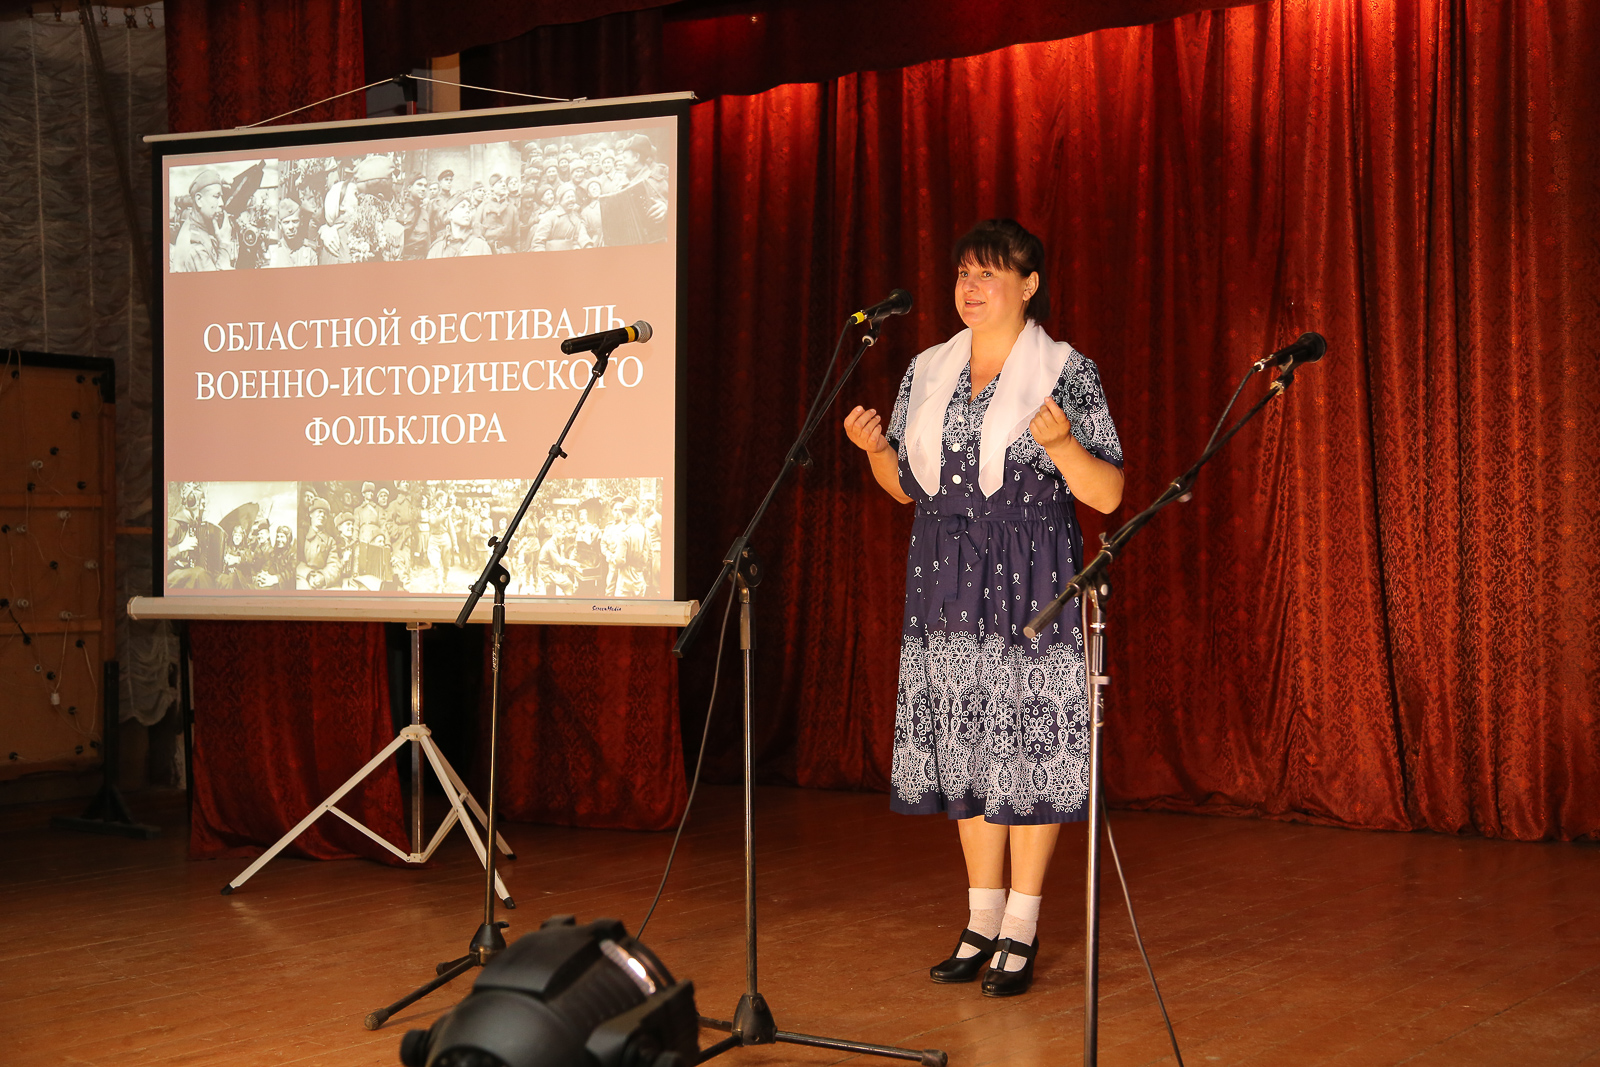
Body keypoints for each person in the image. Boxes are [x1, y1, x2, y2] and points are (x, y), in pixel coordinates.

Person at [843, 218, 1124, 998]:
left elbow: (1108, 492)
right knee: (966, 743)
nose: (971, 286)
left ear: (1029, 285)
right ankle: (981, 917)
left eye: (989, 273)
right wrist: (876, 451)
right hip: (947, 574)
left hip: (1033, 573)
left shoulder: (1066, 371)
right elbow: (908, 488)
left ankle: (1022, 925)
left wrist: (1063, 446)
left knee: (1028, 746)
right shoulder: (928, 368)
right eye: (964, 272)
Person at [171, 169, 238, 272]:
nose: (221, 203)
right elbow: (218, 281)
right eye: (216, 197)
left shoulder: (195, 225)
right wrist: (224, 245)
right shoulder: (195, 247)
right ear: (199, 200)